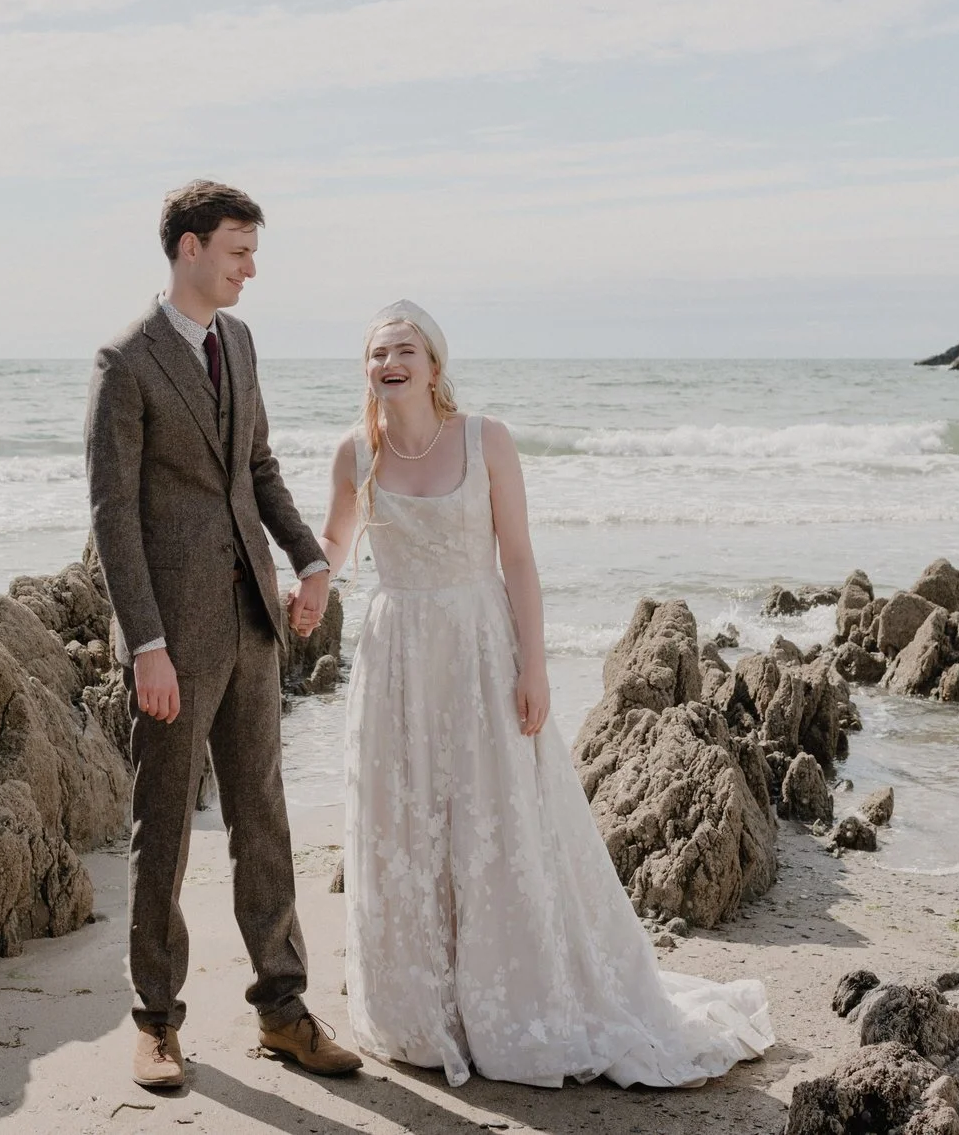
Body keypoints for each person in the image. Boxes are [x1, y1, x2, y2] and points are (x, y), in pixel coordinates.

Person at [319, 300, 774, 1088]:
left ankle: (509, 1001)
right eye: (375, 352)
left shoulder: (486, 439)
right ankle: (425, 1008)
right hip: (394, 660)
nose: (387, 361)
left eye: (402, 348)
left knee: (496, 822)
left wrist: (535, 666)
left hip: (478, 650)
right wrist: (301, 577)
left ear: (432, 361)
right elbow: (333, 541)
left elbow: (520, 561)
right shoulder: (355, 451)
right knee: (407, 822)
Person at [84, 180, 365, 1090]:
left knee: (264, 819)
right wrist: (146, 644)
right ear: (191, 247)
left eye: (253, 251)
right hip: (174, 634)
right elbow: (113, 517)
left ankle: (283, 1008)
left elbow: (259, 468)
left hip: (252, 623)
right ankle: (156, 1021)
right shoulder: (124, 362)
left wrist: (311, 557)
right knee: (160, 827)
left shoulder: (239, 342)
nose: (252, 268)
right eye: (240, 250)